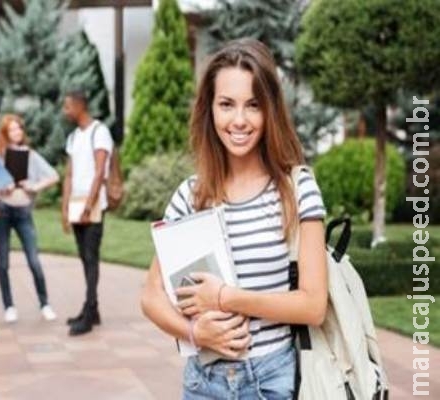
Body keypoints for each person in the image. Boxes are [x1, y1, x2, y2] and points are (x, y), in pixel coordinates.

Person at [140, 38, 329, 399]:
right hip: (203, 383)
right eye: (227, 105)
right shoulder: (192, 194)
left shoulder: (296, 187)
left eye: (253, 106)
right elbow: (151, 297)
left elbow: (313, 304)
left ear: (269, 111)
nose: (239, 120)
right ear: (209, 109)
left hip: (272, 379)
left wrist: (225, 297)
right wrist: (195, 334)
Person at [0, 114, 59, 323]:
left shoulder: (31, 155)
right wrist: (1, 187)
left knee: (34, 260)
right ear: (5, 134)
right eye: (12, 130)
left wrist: (33, 186)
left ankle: (45, 304)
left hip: (23, 211)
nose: (17, 133)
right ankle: (8, 306)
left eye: (19, 129)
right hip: (3, 212)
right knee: (3, 261)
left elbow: (53, 176)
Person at [61, 90, 114, 336]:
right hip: (76, 205)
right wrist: (65, 208)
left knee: (91, 257)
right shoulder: (73, 137)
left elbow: (100, 170)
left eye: (67, 106)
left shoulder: (99, 131)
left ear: (80, 106)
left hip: (92, 206)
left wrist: (89, 205)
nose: (65, 111)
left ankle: (90, 310)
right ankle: (93, 309)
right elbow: (69, 174)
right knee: (84, 257)